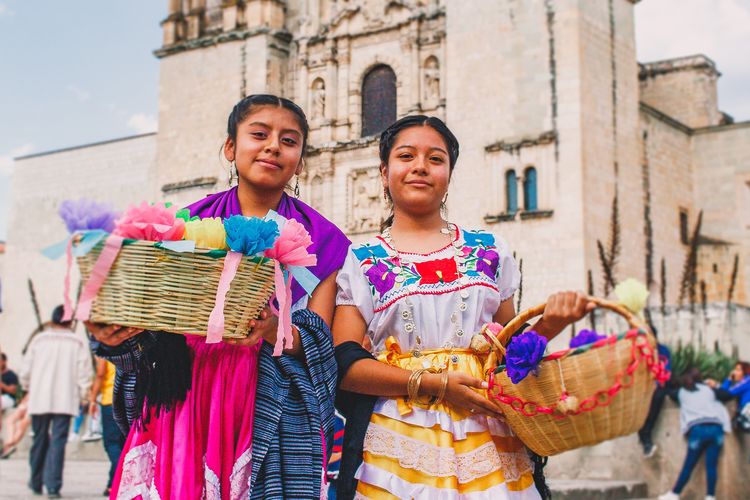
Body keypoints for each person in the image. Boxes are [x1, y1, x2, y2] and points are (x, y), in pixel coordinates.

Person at [86, 94, 350, 499]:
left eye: (289, 140)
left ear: (301, 157)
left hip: (267, 406)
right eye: (259, 134)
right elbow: (157, 320)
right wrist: (117, 333)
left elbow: (320, 341)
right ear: (231, 147)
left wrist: (272, 330)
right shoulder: (184, 227)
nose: (273, 146)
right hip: (189, 397)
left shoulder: (324, 241)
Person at [332, 115, 594, 499]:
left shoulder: (488, 251)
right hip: (397, 443)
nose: (421, 166)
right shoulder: (362, 260)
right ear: (384, 171)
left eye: (435, 159)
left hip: (489, 438)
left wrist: (549, 326)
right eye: (407, 156)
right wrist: (434, 385)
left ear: (449, 174)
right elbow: (347, 365)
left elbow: (510, 360)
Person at [20, 305, 94, 498]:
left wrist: (27, 387)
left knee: (39, 438)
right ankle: (53, 486)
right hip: (65, 398)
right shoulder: (76, 342)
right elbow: (83, 374)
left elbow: (25, 371)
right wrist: (86, 393)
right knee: (58, 442)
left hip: (40, 398)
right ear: (70, 321)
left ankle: (36, 481)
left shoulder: (39, 340)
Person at [658, 368, 731, 500]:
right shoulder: (708, 390)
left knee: (689, 465)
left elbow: (667, 393)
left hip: (698, 430)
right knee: (711, 466)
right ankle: (710, 496)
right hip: (716, 428)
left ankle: (674, 494)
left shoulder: (680, 393)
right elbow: (726, 395)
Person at [88, 357, 125, 496]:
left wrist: (92, 399)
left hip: (110, 400)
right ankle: (112, 484)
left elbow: (100, 374)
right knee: (122, 442)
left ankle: (120, 476)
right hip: (130, 398)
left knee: (111, 443)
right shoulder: (134, 341)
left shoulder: (107, 345)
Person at [637, 326, 672, 457]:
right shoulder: (638, 351)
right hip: (642, 387)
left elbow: (667, 370)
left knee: (657, 397)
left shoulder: (663, 351)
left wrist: (657, 383)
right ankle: (644, 436)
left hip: (658, 387)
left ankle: (645, 435)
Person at [1, 394, 31, 459]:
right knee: (10, 420)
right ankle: (10, 444)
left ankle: (9, 445)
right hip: (28, 402)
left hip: (38, 406)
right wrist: (24, 404)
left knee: (23, 423)